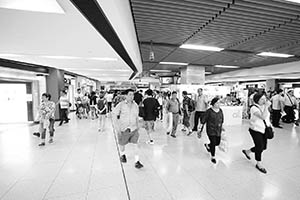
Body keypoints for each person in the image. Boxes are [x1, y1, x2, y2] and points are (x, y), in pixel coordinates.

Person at [112, 89, 143, 169]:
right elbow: (114, 115)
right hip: (124, 128)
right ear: (125, 96)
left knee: (136, 145)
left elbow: (137, 117)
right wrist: (117, 127)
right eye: (129, 94)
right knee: (122, 144)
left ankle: (137, 161)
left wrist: (138, 126)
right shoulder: (121, 105)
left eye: (132, 95)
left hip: (134, 128)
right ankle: (122, 155)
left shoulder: (135, 105)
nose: (131, 96)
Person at [242, 93, 271, 174]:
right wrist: (266, 107)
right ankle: (259, 163)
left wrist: (270, 126)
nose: (264, 101)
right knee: (260, 147)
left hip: (264, 129)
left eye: (265, 99)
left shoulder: (264, 107)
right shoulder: (254, 108)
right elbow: (263, 117)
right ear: (257, 99)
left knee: (264, 147)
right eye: (262, 99)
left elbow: (267, 118)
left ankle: (247, 151)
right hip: (255, 130)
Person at [201, 97, 224, 164]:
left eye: (219, 102)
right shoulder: (209, 111)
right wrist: (200, 128)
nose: (218, 104)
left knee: (217, 142)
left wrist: (222, 127)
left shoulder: (220, 110)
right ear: (213, 103)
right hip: (211, 129)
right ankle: (213, 156)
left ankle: (208, 146)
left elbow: (221, 119)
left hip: (218, 129)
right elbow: (203, 120)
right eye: (217, 103)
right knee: (213, 142)